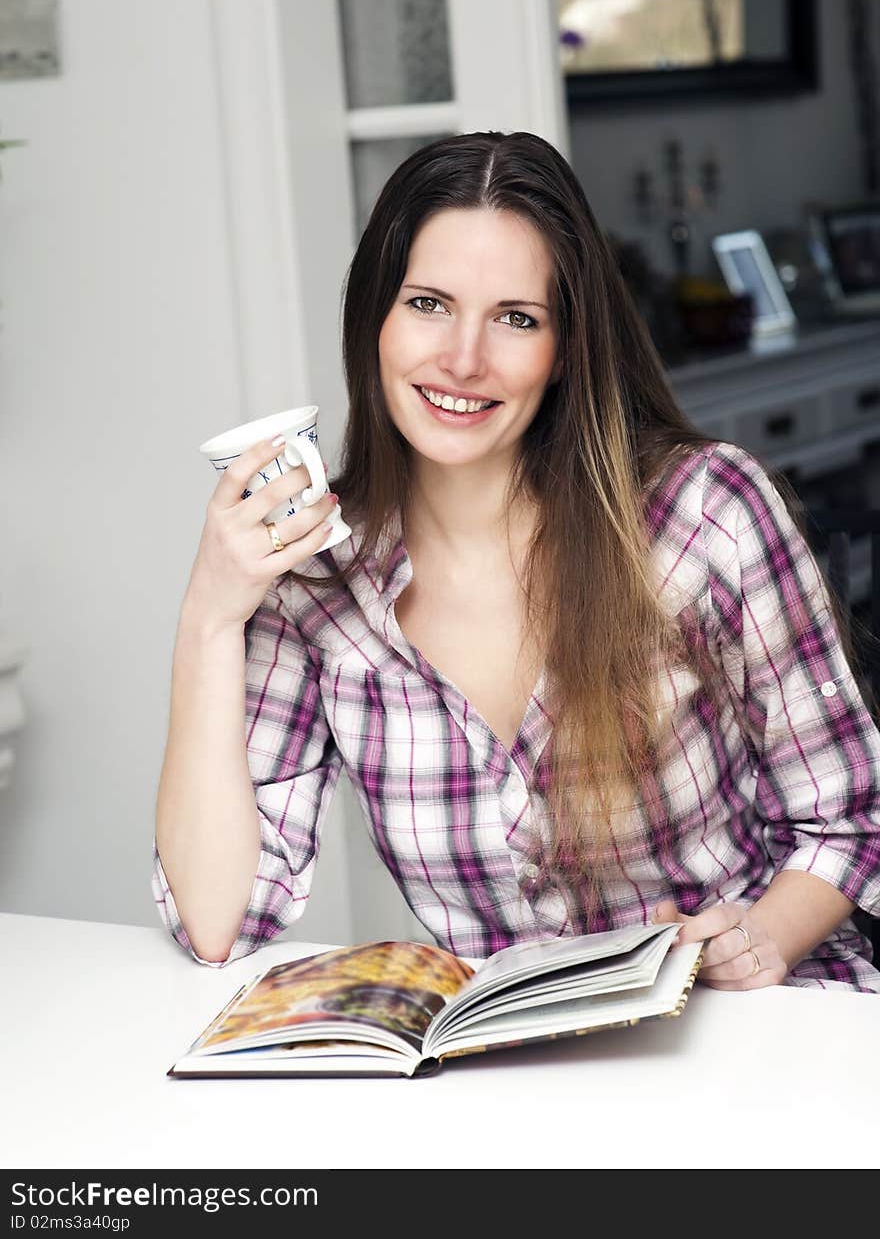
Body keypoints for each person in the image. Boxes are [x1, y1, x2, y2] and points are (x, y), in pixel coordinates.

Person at [153, 130, 880, 991]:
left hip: (760, 1031)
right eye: (427, 303)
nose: (463, 358)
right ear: (374, 320)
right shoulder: (316, 581)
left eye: (515, 318)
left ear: (565, 347)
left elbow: (851, 816)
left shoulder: (702, 511)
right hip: (524, 1076)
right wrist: (211, 615)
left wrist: (758, 941)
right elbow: (217, 923)